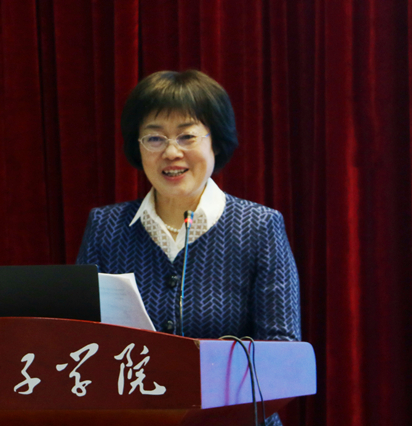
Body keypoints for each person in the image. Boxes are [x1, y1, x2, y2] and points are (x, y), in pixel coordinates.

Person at [76, 70, 300, 426]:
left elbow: (281, 352)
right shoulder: (106, 227)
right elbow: (80, 343)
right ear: (137, 146)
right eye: (154, 138)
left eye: (187, 136)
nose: (171, 152)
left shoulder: (259, 227)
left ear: (216, 142)